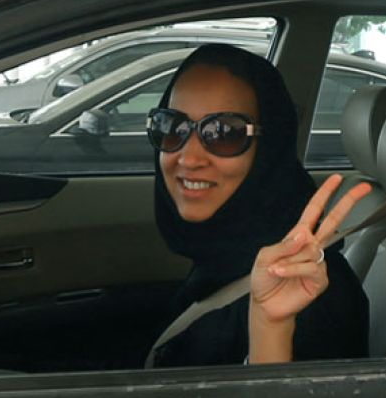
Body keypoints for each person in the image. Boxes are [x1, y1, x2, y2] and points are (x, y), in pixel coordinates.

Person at [149, 44, 371, 367]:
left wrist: (272, 328)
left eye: (224, 133)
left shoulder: (311, 293)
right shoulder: (225, 249)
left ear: (269, 148)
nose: (189, 157)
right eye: (172, 127)